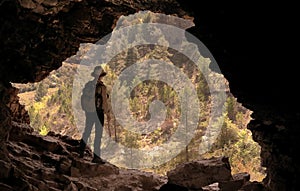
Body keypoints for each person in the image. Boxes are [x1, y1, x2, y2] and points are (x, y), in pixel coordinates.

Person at [79, 65, 110, 163]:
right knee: (98, 134)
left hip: (89, 111)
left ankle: (80, 151)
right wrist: (107, 113)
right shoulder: (102, 87)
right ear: (101, 76)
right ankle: (96, 157)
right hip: (99, 112)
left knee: (87, 131)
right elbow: (104, 102)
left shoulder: (88, 85)